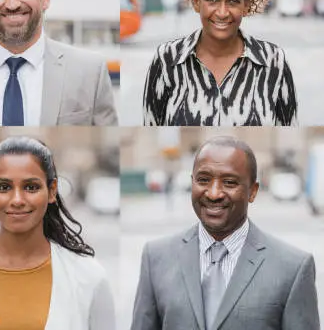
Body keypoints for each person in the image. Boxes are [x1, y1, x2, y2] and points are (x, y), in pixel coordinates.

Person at [0, 137, 116, 329]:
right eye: (4, 187)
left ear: (51, 191)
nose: (17, 199)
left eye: (31, 187)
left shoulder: (89, 277)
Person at [131, 136, 319, 330]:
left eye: (229, 182)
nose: (213, 193)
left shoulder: (293, 269)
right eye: (203, 180)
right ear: (192, 183)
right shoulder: (155, 258)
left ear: (253, 191)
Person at [143, 0, 297, 126]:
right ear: (196, 0)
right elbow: (151, 123)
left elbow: (288, 125)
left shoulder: (273, 62)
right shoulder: (166, 60)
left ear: (246, 4)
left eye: (233, 1)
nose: (222, 13)